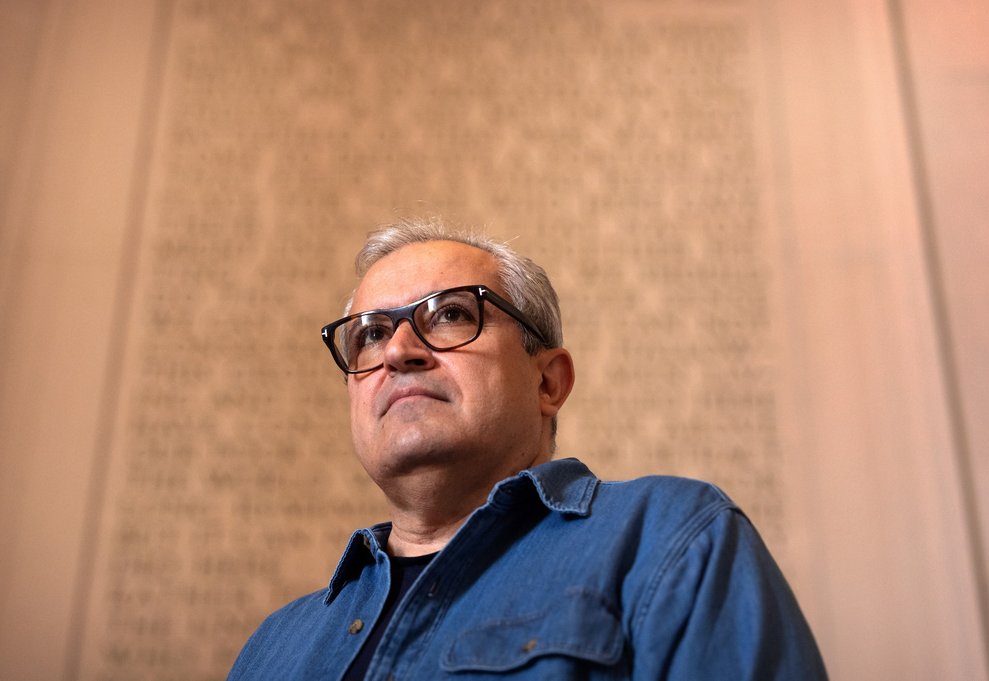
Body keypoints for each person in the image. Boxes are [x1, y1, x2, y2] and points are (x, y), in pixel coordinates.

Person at [228, 218, 827, 680]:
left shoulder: (673, 541)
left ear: (547, 381)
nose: (398, 351)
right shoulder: (272, 647)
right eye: (371, 334)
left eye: (450, 314)